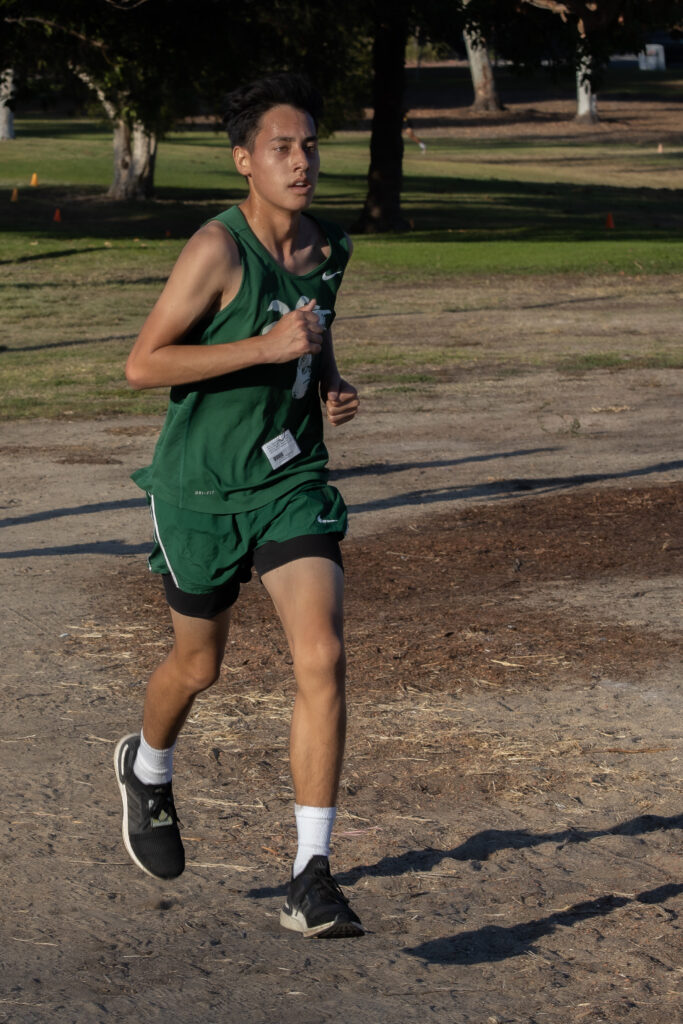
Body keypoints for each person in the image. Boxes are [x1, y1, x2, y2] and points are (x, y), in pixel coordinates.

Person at [114, 72, 363, 939]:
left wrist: (326, 380)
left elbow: (311, 325)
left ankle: (310, 875)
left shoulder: (328, 247)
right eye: (280, 148)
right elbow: (142, 365)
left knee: (322, 653)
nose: (300, 163)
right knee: (199, 666)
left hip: (290, 483)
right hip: (200, 491)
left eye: (309, 146)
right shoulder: (216, 251)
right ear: (243, 161)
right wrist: (261, 346)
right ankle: (147, 768)